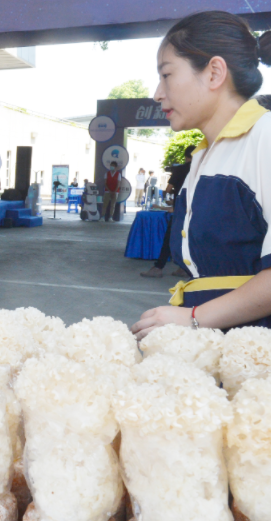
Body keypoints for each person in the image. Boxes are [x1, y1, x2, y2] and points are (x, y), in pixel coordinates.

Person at [132, 11, 271, 339]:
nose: (157, 93)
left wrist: (194, 317)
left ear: (214, 72)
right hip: (217, 349)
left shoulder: (265, 136)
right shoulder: (201, 156)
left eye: (166, 75)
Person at [140, 145, 196, 278]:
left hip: (181, 208)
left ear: (186, 156)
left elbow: (168, 189)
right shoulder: (202, 168)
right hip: (197, 209)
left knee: (169, 238)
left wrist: (173, 193)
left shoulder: (180, 169)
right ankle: (185, 268)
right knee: (190, 239)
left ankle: (158, 267)